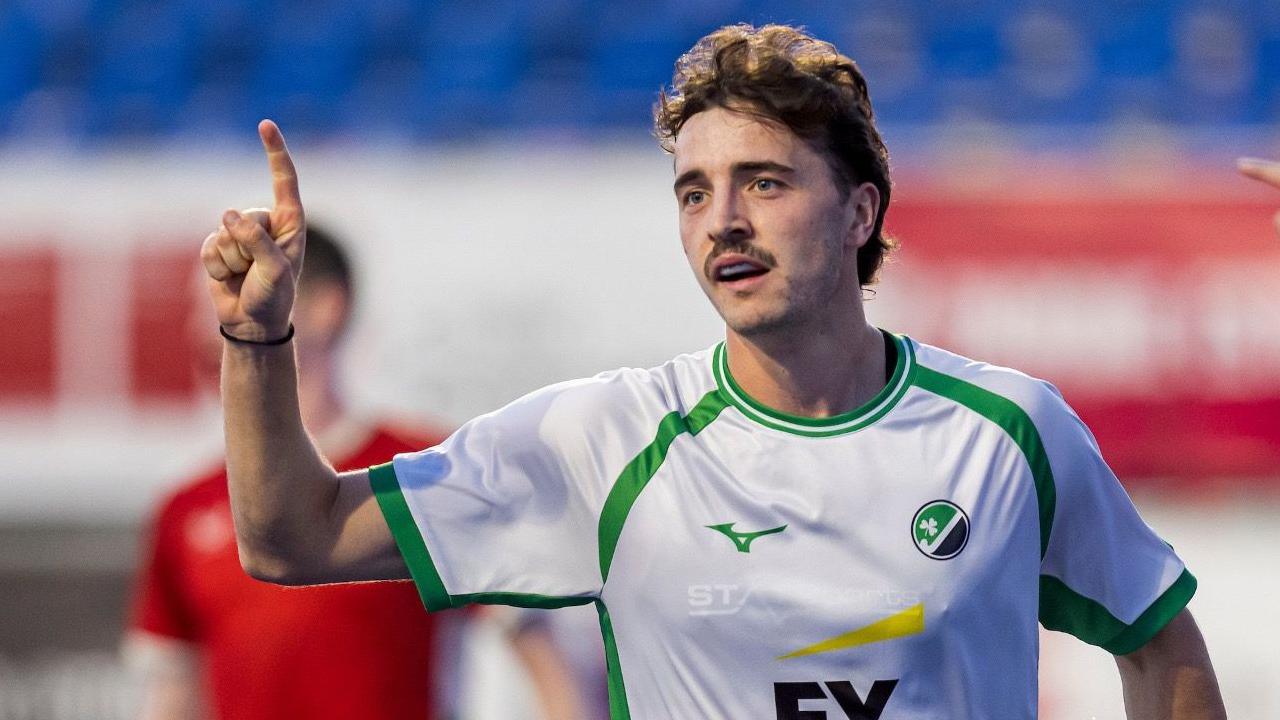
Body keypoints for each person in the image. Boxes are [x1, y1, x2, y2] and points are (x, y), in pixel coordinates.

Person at [199, 24, 1228, 719]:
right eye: (692, 192)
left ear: (859, 213)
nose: (720, 219)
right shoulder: (602, 441)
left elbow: (1159, 646)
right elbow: (295, 536)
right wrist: (257, 345)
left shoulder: (1009, 430)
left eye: (762, 181)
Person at [127, 225, 583, 719]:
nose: (208, 322)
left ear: (327, 307)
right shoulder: (187, 505)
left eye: (245, 290)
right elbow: (173, 689)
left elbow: (547, 669)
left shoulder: (425, 470)